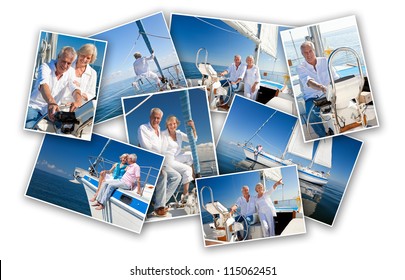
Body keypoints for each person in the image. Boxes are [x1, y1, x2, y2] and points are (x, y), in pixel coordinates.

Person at [138, 108, 181, 216]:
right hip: (150, 160)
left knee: (177, 177)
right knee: (163, 174)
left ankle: (158, 202)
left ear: (161, 119)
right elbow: (147, 147)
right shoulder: (143, 128)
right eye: (154, 117)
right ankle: (159, 207)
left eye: (158, 118)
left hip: (162, 161)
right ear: (150, 117)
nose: (156, 120)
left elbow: (164, 148)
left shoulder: (161, 132)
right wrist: (158, 161)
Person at [26, 46, 82, 129]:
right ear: (58, 57)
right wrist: (51, 102)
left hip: (54, 110)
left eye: (69, 63)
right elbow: (43, 85)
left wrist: (78, 101)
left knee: (69, 128)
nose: (65, 65)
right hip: (35, 107)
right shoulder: (45, 67)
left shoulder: (71, 72)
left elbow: (75, 88)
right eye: (63, 61)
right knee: (29, 126)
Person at [296, 41, 339, 138]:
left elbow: (336, 78)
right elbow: (309, 81)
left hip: (329, 93)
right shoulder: (300, 67)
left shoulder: (325, 61)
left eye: (310, 51)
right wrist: (321, 87)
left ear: (314, 50)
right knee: (311, 115)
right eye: (305, 53)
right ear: (302, 54)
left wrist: (335, 89)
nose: (308, 54)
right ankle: (324, 136)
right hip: (312, 97)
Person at [161, 115, 197, 203]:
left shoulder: (179, 134)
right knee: (187, 169)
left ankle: (192, 177)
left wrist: (193, 127)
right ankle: (185, 195)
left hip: (174, 157)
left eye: (174, 123)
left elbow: (193, 140)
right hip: (167, 160)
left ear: (177, 124)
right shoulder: (163, 134)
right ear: (167, 125)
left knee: (190, 155)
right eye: (170, 124)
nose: (172, 126)